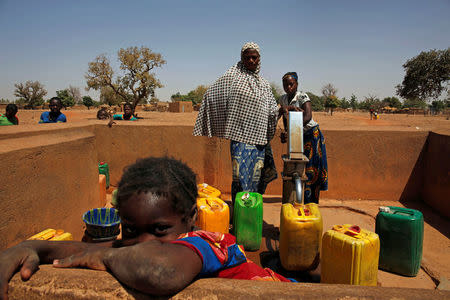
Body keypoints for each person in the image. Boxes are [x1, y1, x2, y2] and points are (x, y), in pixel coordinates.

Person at [0, 157, 294, 298]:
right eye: (129, 230)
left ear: (191, 218)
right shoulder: (134, 247)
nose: (142, 242)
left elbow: (160, 272)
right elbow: (85, 249)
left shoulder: (207, 242)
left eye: (159, 229)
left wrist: (105, 256)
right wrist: (31, 247)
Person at [193, 42, 278, 203]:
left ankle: (252, 214)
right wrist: (223, 120)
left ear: (259, 59)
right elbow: (212, 94)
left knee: (256, 179)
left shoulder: (265, 84)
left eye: (254, 57)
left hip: (259, 142)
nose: (251, 61)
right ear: (242, 59)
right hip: (239, 140)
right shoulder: (232, 77)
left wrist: (280, 112)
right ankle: (240, 215)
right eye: (248, 58)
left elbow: (272, 111)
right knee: (239, 178)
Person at [279, 72, 328, 204]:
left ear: (297, 84)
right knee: (298, 167)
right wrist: (286, 131)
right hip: (297, 135)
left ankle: (311, 201)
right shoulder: (283, 99)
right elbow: (285, 118)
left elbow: (307, 117)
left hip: (311, 135)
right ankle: (299, 198)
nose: (288, 87)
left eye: (291, 84)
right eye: (285, 84)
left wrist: (290, 131)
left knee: (312, 169)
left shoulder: (302, 96)